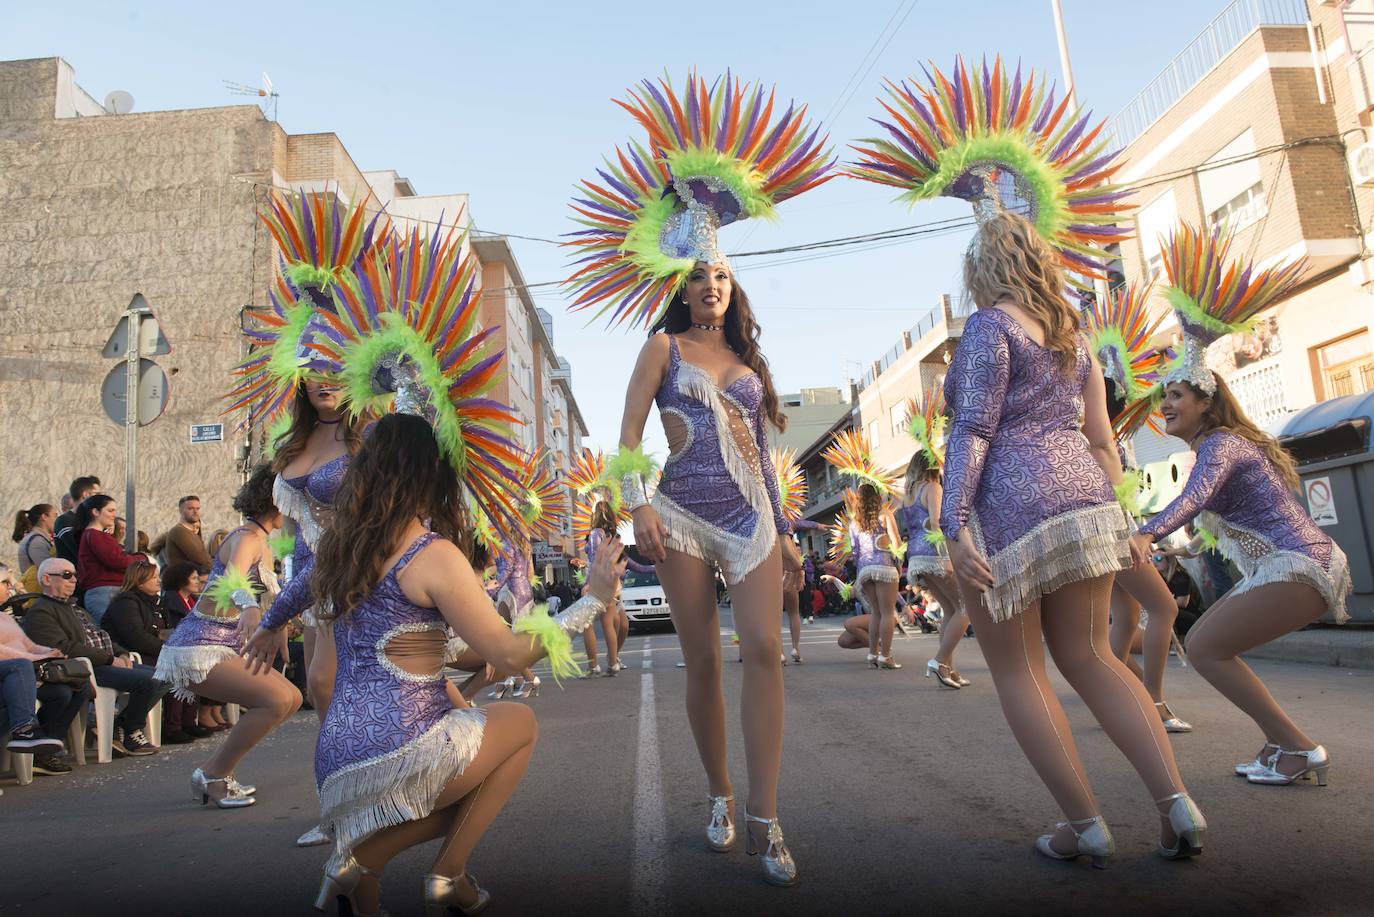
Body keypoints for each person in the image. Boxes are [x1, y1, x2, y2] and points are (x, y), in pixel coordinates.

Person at [940, 212, 1202, 867]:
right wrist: (1119, 515)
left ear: (983, 269)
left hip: (1010, 510)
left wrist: (953, 521)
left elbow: (972, 430)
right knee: (1094, 657)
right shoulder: (1075, 339)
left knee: (1020, 668)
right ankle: (1177, 804)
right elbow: (1102, 439)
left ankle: (1084, 824)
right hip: (1086, 498)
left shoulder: (988, 327)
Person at [306, 415, 626, 916]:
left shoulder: (337, 552)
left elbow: (333, 671)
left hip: (334, 760)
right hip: (399, 750)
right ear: (430, 476)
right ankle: (426, 870)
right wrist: (593, 600)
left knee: (464, 754)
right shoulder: (430, 554)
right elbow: (510, 654)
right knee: (517, 726)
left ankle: (362, 880)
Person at [1134, 380, 1350, 785]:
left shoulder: (1220, 444)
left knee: (1204, 647)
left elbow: (1193, 500)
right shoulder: (1214, 448)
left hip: (1298, 564)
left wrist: (1146, 532)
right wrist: (1187, 548)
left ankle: (1299, 747)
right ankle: (1278, 744)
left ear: (1205, 402)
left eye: (1176, 396)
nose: (1165, 404)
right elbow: (1228, 513)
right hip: (1289, 564)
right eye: (1164, 396)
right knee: (1206, 643)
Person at [154, 465, 301, 807]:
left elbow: (276, 594)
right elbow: (233, 579)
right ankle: (214, 775)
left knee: (291, 699)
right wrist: (250, 608)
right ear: (276, 500)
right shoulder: (246, 538)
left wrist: (276, 626)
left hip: (224, 644)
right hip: (200, 646)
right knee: (277, 701)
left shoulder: (264, 540)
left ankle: (220, 771)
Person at [22, 557, 166, 757]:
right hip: (87, 668)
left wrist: (120, 653)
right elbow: (64, 647)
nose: (73, 580)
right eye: (66, 575)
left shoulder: (76, 608)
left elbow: (100, 636)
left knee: (166, 676)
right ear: (46, 579)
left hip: (103, 663)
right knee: (151, 680)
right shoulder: (41, 611)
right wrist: (110, 659)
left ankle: (121, 726)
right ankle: (130, 730)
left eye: (74, 575)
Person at [896, 423, 972, 687]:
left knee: (950, 610)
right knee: (967, 606)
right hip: (937, 554)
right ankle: (939, 661)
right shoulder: (933, 488)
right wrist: (955, 552)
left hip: (916, 556)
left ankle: (948, 669)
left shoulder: (908, 495)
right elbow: (939, 523)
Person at [103, 561, 196, 745]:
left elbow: (166, 631)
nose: (158, 580)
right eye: (153, 577)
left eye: (158, 576)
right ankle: (163, 727)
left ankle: (184, 723)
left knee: (191, 665)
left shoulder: (156, 603)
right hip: (132, 653)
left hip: (153, 651)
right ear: (139, 581)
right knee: (171, 670)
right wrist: (168, 651)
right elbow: (136, 637)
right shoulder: (126, 602)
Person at [0, 603, 89, 776]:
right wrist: (36, 658)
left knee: (78, 686)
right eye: (4, 582)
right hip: (12, 673)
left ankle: (44, 750)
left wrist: (49, 652)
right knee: (24, 669)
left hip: (24, 672)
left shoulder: (4, 617)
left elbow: (29, 645)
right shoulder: (41, 610)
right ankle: (25, 731)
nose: (8, 586)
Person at [74, 495, 147, 622]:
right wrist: (141, 558)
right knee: (110, 634)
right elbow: (118, 561)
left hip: (108, 591)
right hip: (105, 592)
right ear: (95, 512)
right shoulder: (94, 535)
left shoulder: (96, 535)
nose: (114, 515)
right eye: (110, 510)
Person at [153, 495, 213, 574]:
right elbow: (200, 558)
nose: (195, 511)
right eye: (190, 508)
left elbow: (204, 557)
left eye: (198, 508)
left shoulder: (192, 533)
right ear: (181, 510)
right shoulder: (178, 531)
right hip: (182, 582)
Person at [54, 477, 100, 563]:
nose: (99, 499)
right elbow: (82, 551)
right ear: (86, 494)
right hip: (75, 574)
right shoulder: (65, 520)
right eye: (96, 494)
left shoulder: (92, 520)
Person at [14, 504, 57, 574]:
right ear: (44, 517)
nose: (57, 519)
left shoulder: (40, 538)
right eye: (55, 516)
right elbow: (49, 569)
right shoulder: (36, 541)